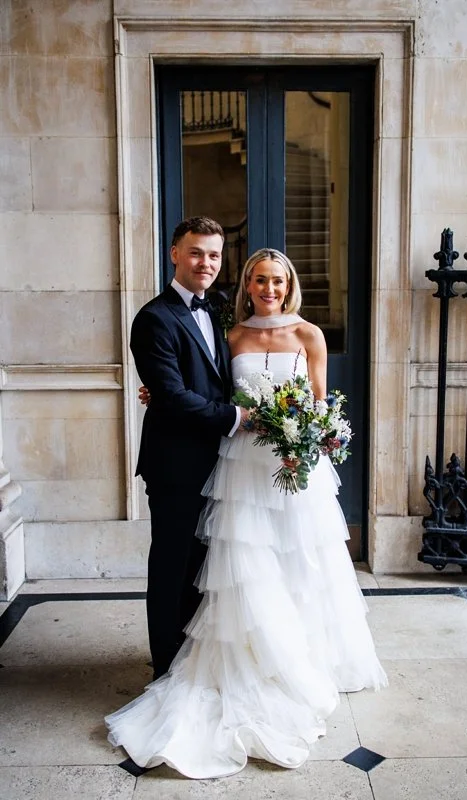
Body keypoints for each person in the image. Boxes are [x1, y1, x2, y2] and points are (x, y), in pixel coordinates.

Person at [107, 248, 387, 779]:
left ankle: (302, 657)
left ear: (289, 284)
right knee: (247, 563)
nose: (268, 288)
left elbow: (323, 404)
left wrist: (306, 440)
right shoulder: (230, 333)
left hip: (293, 468)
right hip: (241, 464)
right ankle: (251, 654)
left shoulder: (309, 335)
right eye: (259, 280)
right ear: (247, 286)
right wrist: (159, 393)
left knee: (300, 563)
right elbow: (206, 387)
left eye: (277, 281)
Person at [127, 216, 246, 681]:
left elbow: (211, 380)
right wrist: (237, 418)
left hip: (217, 462)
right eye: (196, 252)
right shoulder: (154, 318)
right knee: (172, 567)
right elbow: (174, 396)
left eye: (214, 254)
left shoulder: (212, 309)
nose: (206, 262)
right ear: (174, 253)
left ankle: (190, 658)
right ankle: (165, 668)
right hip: (176, 465)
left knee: (201, 566)